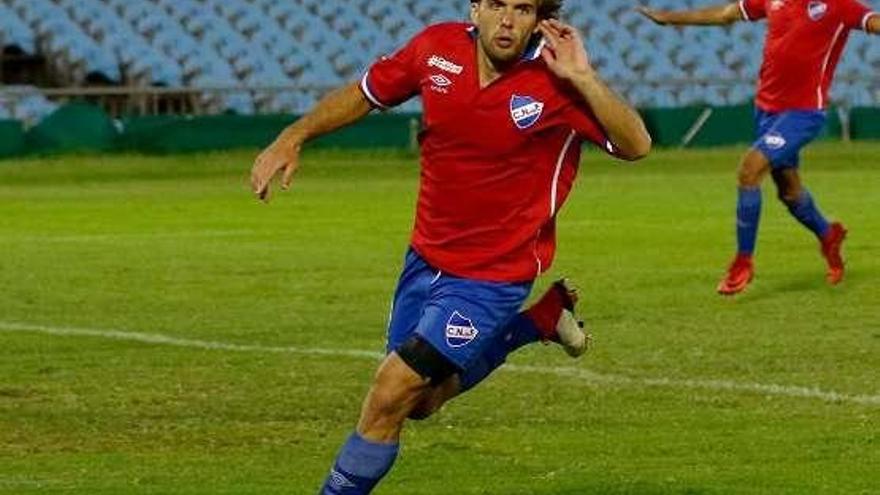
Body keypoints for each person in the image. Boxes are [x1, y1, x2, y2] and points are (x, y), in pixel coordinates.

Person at [251, 0, 651, 492]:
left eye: (523, 8)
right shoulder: (435, 49)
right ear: (476, 8)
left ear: (540, 18)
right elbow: (367, 92)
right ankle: (537, 322)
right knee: (418, 403)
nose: (508, 20)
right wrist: (294, 136)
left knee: (389, 392)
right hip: (425, 259)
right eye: (498, 5)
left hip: (493, 277)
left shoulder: (558, 81)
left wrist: (585, 78)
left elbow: (637, 145)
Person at [639, 0, 880, 295]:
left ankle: (743, 263)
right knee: (790, 192)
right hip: (766, 111)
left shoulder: (839, 6)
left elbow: (874, 22)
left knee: (749, 171)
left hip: (803, 113)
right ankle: (829, 234)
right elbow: (726, 15)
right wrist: (670, 17)